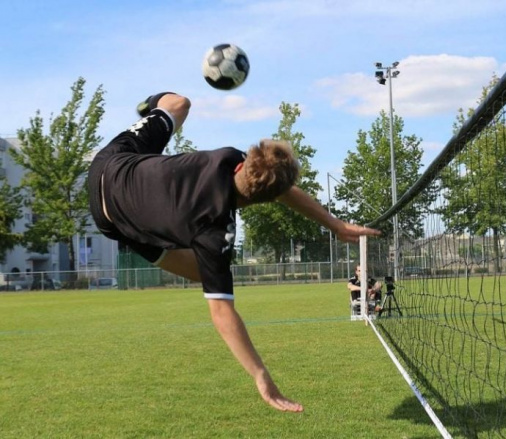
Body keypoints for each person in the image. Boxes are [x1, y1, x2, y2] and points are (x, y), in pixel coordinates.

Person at [87, 92, 380, 412]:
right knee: (208, 273)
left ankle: (150, 107)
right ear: (265, 199)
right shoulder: (216, 233)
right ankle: (166, 230)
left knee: (177, 104)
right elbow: (222, 315)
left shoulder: (226, 158)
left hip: (110, 162)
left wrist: (333, 223)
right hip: (113, 220)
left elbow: (277, 183)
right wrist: (260, 375)